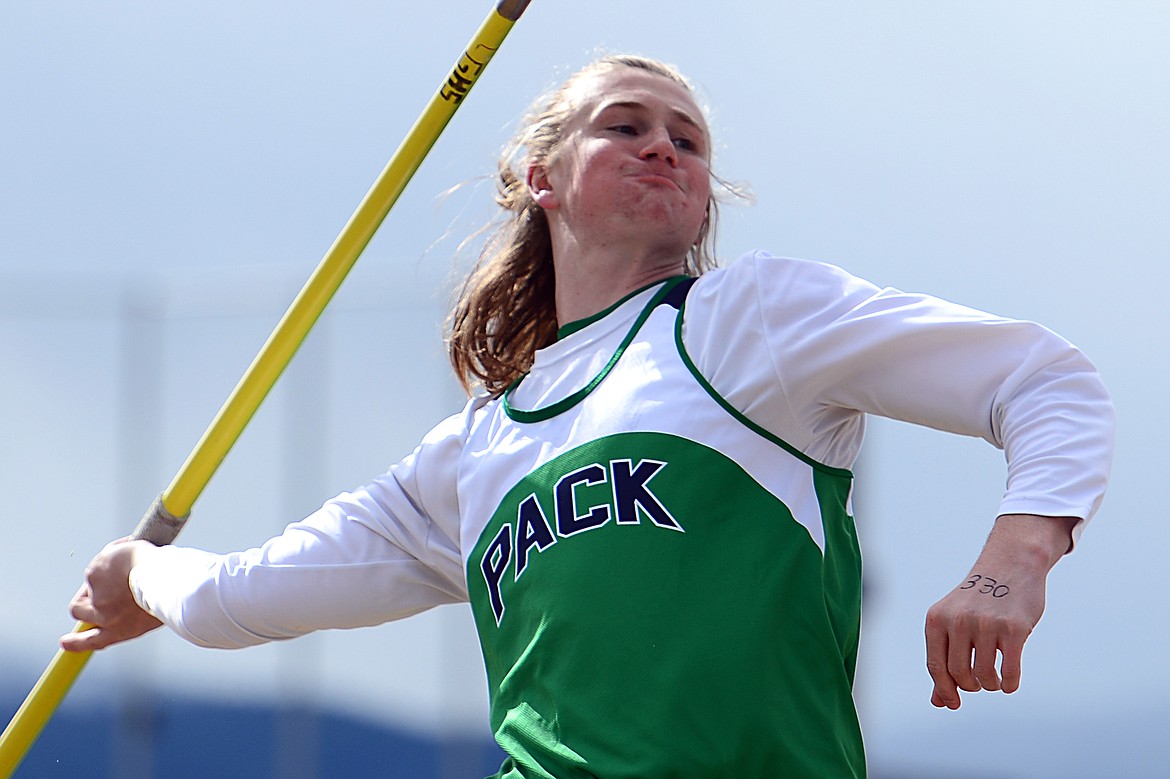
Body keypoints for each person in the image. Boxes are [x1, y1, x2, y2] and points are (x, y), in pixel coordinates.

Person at [62, 55, 1114, 778]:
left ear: (706, 200)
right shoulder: (471, 453)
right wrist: (139, 573)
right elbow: (246, 595)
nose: (665, 147)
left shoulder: (750, 321)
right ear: (538, 178)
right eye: (626, 126)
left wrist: (1010, 562)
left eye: (688, 141)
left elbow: (1045, 377)